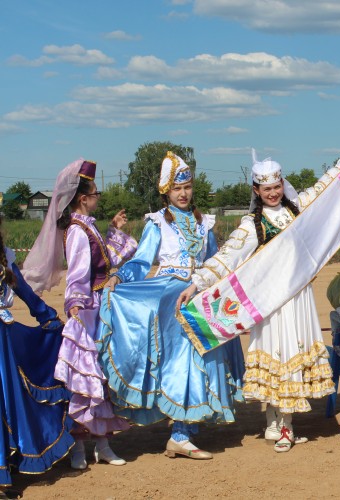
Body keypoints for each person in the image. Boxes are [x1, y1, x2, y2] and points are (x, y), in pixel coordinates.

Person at [177, 143, 340, 452]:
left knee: (290, 355)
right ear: (256, 189)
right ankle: (278, 425)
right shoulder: (251, 225)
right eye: (266, 188)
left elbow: (327, 184)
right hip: (270, 304)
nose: (273, 193)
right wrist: (196, 284)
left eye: (277, 186)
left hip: (298, 299)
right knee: (277, 356)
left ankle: (283, 425)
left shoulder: (298, 208)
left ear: (283, 184)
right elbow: (227, 257)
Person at [98, 152, 245, 461]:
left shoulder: (206, 223)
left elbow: (215, 263)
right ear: (166, 191)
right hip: (169, 298)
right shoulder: (157, 223)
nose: (183, 194)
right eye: (177, 189)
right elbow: (141, 261)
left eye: (187, 187)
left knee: (201, 358)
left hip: (199, 297)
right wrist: (119, 277)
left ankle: (184, 428)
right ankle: (179, 432)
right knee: (180, 361)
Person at [23, 159, 135, 470]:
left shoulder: (88, 226)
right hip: (86, 311)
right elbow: (79, 272)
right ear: (83, 198)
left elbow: (105, 261)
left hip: (97, 307)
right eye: (96, 193)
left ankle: (102, 444)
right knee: (84, 379)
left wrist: (114, 230)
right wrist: (75, 302)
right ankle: (78, 448)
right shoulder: (76, 231)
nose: (99, 196)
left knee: (97, 376)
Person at [1, 215, 73, 492]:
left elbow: (25, 292)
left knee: (6, 400)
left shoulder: (5, 259)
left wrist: (48, 318)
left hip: (3, 341)